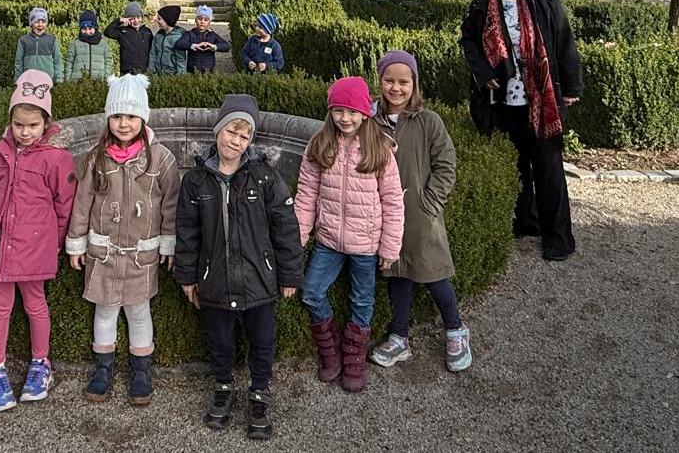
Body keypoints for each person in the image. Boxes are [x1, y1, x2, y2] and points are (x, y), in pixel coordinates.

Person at [174, 94, 302, 440]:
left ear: (251, 141)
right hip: (214, 280)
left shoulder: (264, 177)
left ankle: (259, 392)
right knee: (220, 341)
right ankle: (224, 386)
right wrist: (187, 277)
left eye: (244, 136)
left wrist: (290, 274)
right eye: (232, 131)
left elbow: (285, 227)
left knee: (262, 340)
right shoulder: (196, 181)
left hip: (258, 281)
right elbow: (187, 234)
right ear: (219, 131)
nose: (236, 141)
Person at [459, 0, 583, 262]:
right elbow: (469, 41)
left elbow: (564, 39)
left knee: (549, 170)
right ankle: (526, 222)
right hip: (504, 99)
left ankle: (557, 238)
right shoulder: (483, 2)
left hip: (542, 97)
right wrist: (484, 73)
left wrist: (571, 86)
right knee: (516, 165)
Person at [65, 75, 180, 405]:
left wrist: (168, 243)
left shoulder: (161, 159)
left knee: (139, 313)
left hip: (141, 256)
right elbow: (82, 203)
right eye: (117, 116)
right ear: (108, 118)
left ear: (142, 118)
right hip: (104, 253)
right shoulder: (95, 158)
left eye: (131, 116)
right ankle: (103, 369)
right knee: (105, 313)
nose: (124, 123)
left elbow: (170, 204)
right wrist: (77, 242)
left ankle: (141, 371)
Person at [0, 70, 77, 411]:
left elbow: (65, 205)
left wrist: (53, 242)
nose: (25, 132)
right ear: (11, 121)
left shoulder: (57, 158)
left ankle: (40, 363)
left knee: (35, 304)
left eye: (33, 125)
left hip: (34, 246)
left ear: (46, 121)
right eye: (19, 124)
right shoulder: (0, 151)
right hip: (0, 245)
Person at [295, 76, 404, 393]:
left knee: (361, 302)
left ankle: (354, 354)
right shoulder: (319, 144)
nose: (345, 118)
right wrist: (299, 236)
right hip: (329, 240)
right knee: (311, 293)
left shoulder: (378, 149)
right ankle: (331, 349)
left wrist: (389, 247)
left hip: (365, 245)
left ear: (365, 113)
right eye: (338, 110)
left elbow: (393, 201)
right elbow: (306, 195)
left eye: (352, 111)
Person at [369, 50, 470, 372]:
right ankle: (399, 336)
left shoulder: (429, 121)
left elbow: (446, 164)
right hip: (384, 214)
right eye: (389, 80)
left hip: (420, 215)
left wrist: (431, 202)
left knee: (433, 274)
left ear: (414, 83)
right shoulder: (370, 120)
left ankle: (455, 329)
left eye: (403, 82)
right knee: (397, 274)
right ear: (380, 81)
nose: (395, 88)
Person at [174, 5, 230, 73]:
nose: (202, 21)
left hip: (209, 70)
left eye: (206, 20)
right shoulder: (189, 34)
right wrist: (193, 46)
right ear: (195, 20)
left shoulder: (212, 35)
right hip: (192, 70)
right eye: (200, 18)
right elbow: (179, 44)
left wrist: (214, 46)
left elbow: (226, 46)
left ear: (209, 22)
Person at [103, 2, 153, 75]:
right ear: (127, 19)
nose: (136, 21)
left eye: (138, 17)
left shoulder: (147, 32)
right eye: (132, 18)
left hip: (144, 70)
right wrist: (119, 20)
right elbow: (107, 32)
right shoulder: (123, 31)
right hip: (127, 71)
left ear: (142, 17)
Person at [14, 7, 62, 83]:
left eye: (43, 21)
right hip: (29, 79)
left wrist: (59, 79)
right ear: (31, 23)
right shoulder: (23, 40)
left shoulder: (52, 40)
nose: (40, 24)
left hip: (47, 79)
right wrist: (17, 80)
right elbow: (19, 62)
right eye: (37, 21)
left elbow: (57, 61)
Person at [64, 9, 112, 82]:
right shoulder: (74, 44)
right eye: (84, 29)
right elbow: (69, 63)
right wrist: (68, 81)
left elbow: (108, 62)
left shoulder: (103, 44)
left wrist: (106, 79)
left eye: (90, 28)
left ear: (95, 28)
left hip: (98, 82)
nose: (87, 31)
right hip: (77, 83)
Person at [147, 6, 189, 75]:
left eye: (159, 19)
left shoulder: (178, 37)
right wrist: (152, 72)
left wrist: (180, 78)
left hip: (171, 75)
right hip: (158, 74)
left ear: (168, 20)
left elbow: (181, 60)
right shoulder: (158, 35)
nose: (157, 21)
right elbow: (153, 54)